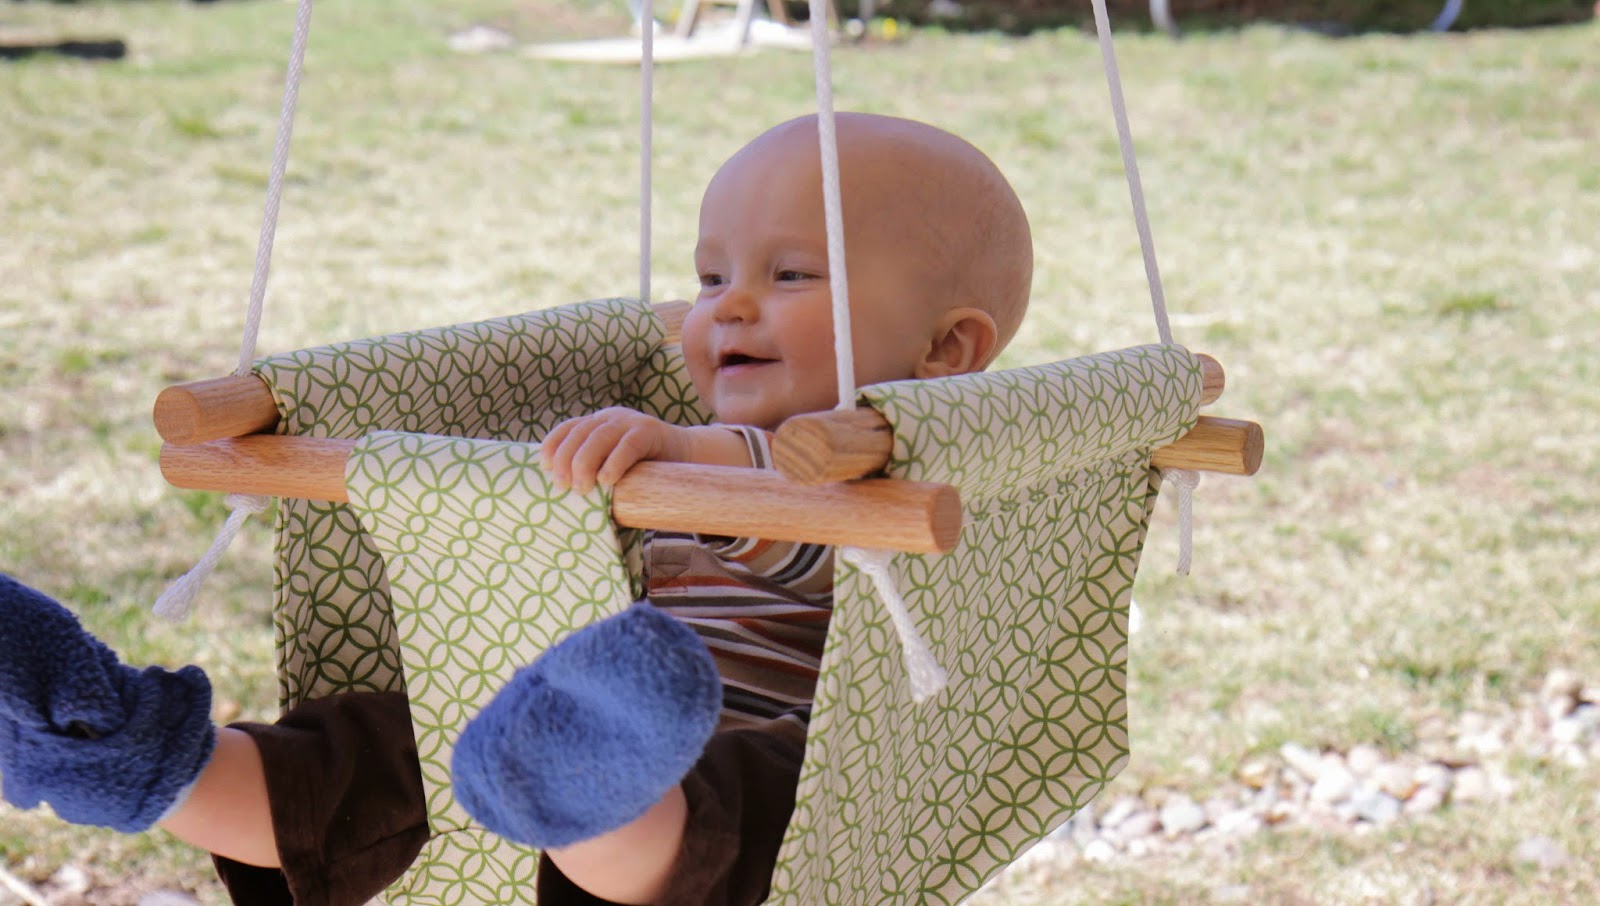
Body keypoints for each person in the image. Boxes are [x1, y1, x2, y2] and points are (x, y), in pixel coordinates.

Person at [0, 112, 1034, 906]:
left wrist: (689, 456)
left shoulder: (937, 461)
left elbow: (794, 513)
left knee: (737, 811)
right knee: (391, 748)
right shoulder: (699, 423)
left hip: (790, 755)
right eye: (710, 274)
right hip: (554, 736)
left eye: (790, 273)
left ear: (946, 349)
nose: (725, 305)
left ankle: (592, 784)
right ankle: (112, 742)